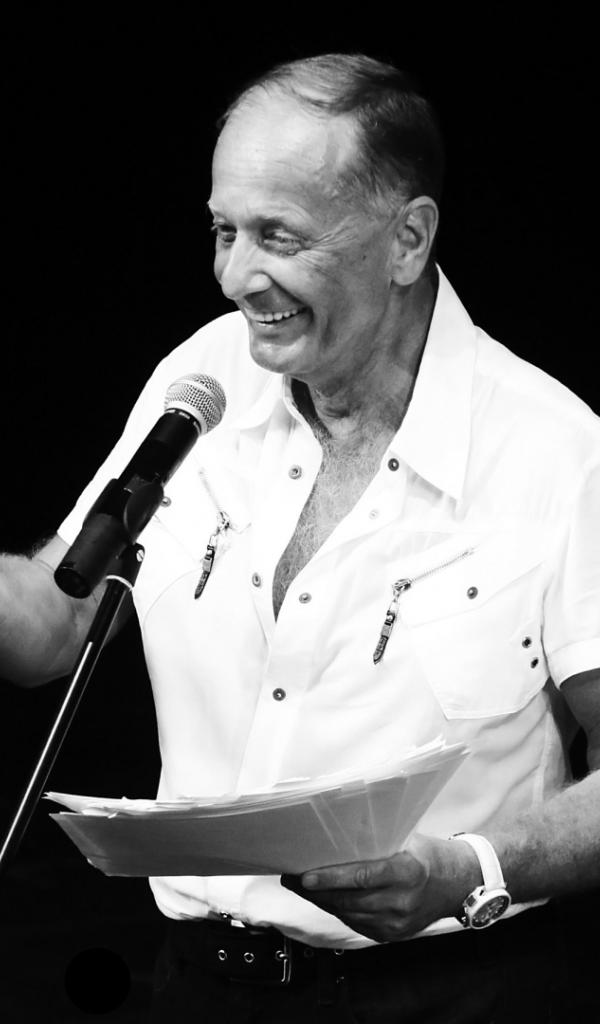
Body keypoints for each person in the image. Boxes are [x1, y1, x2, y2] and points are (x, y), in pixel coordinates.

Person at [2, 52, 600, 1022]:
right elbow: (55, 623)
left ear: (408, 239)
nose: (237, 276)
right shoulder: (205, 374)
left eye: (278, 236)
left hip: (455, 994)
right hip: (197, 988)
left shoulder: (556, 451)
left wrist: (470, 870)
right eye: (223, 230)